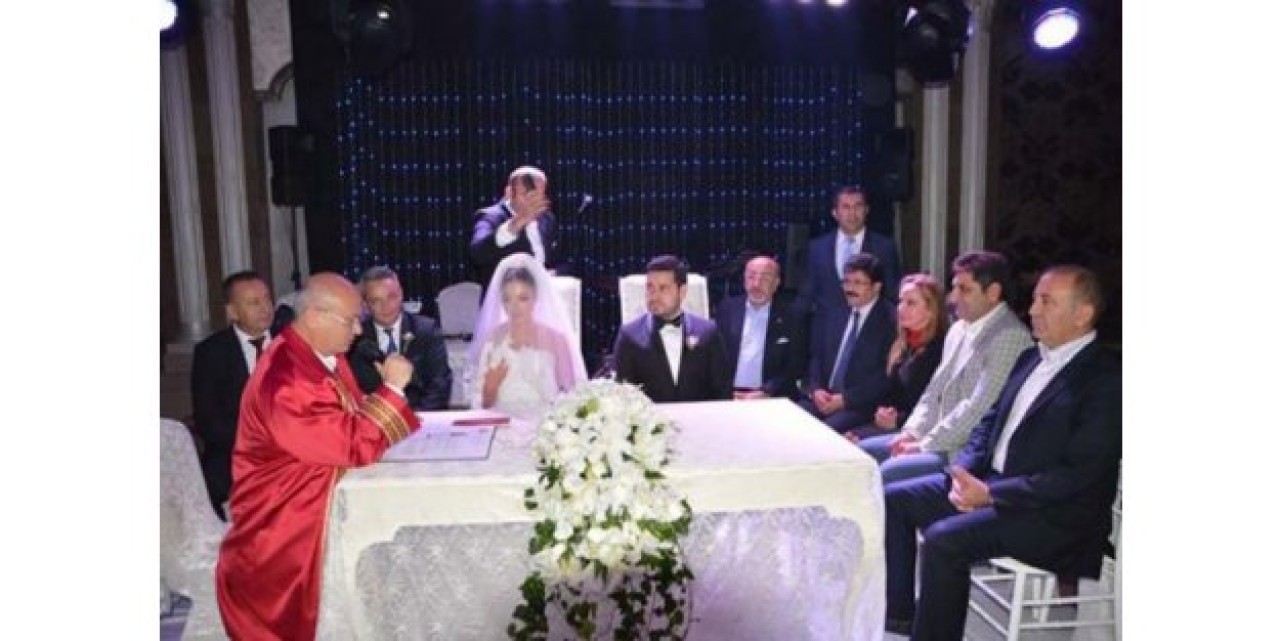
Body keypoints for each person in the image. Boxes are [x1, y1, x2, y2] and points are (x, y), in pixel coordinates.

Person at [882, 265, 1121, 641]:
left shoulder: (1106, 380)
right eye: (1035, 299)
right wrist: (962, 473)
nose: (1033, 310)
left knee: (944, 540)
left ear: (1082, 314)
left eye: (1047, 301)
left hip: (1054, 515)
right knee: (894, 499)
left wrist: (991, 494)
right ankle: (899, 615)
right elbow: (987, 424)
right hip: (992, 484)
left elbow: (1078, 474)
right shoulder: (1030, 358)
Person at [216, 273, 420, 641]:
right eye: (350, 320)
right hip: (282, 522)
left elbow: (348, 417)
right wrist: (392, 389)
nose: (358, 330)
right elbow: (351, 445)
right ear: (314, 316)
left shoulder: (316, 354)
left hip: (312, 497)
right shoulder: (287, 380)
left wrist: (380, 401)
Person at [860, 251, 1032, 484]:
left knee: (887, 472)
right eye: (954, 288)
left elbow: (977, 410)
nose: (952, 298)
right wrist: (911, 432)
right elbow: (934, 390)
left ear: (993, 292)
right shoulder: (959, 328)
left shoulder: (1009, 336)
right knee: (862, 454)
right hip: (934, 438)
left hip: (963, 451)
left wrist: (924, 444)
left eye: (964, 289)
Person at [191, 270, 276, 520]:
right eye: (253, 303)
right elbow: (208, 421)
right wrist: (257, 445)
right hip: (235, 459)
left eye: (267, 298)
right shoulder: (211, 353)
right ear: (232, 312)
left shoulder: (293, 342)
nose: (265, 308)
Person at [466, 253, 587, 420]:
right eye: (507, 299)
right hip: (500, 422)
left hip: (543, 425)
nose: (514, 307)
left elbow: (571, 395)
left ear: (535, 297)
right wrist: (491, 388)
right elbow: (482, 403)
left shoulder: (556, 340)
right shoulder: (494, 339)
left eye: (523, 298)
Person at [613, 254, 733, 403]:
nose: (654, 296)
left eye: (663, 288)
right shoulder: (629, 335)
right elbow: (623, 396)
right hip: (651, 417)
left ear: (682, 291)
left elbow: (722, 390)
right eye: (650, 287)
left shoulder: (708, 332)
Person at [799, 253, 897, 433]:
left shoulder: (891, 321)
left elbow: (885, 377)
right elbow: (816, 356)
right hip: (823, 397)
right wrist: (816, 389)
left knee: (824, 433)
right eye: (846, 282)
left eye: (858, 283)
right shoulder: (834, 312)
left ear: (876, 287)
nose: (849, 289)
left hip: (860, 405)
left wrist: (845, 400)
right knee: (792, 420)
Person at [848, 272, 948, 441]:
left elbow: (933, 408)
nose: (901, 308)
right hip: (891, 424)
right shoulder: (903, 345)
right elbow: (893, 395)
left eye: (911, 303)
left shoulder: (940, 350)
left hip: (917, 433)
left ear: (931, 310)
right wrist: (884, 412)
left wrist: (898, 420)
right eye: (901, 301)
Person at [799, 185, 902, 334]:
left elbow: (892, 292)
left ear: (866, 210)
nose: (852, 213)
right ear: (835, 213)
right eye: (846, 207)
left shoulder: (884, 248)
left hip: (870, 332)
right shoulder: (817, 248)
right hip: (825, 334)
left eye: (858, 206)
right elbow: (807, 293)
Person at [347, 266, 453, 411]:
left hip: (422, 416)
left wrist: (414, 419)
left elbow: (440, 385)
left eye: (391, 297)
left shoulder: (427, 330)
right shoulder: (356, 338)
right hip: (374, 417)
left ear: (401, 294)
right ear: (365, 304)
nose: (386, 306)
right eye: (376, 300)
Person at [713, 255, 807, 401]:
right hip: (729, 395)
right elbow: (715, 356)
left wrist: (767, 391)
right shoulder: (727, 309)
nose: (756, 284)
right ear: (744, 280)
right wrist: (726, 391)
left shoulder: (791, 316)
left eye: (765, 278)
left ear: (776, 283)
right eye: (751, 277)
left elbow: (796, 364)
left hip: (771, 397)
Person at [469, 165, 559, 296]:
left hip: (539, 299)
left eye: (538, 195)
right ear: (509, 192)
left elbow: (558, 258)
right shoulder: (490, 217)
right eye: (526, 195)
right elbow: (478, 253)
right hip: (504, 301)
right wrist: (514, 226)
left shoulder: (547, 219)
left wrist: (552, 274)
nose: (532, 202)